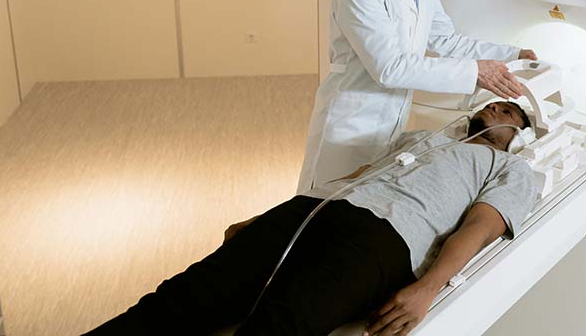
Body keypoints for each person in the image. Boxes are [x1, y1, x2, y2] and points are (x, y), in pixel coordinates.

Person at [85, 101, 539, 336]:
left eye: (511, 113)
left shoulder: (513, 169)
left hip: (385, 240)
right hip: (319, 211)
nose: (498, 108)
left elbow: (480, 227)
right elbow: (355, 176)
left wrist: (428, 286)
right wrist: (267, 216)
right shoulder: (423, 137)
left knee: (281, 327)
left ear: (520, 137)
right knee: (188, 294)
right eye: (496, 104)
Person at [299, 0, 537, 192]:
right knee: (319, 208)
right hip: (350, 123)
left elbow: (445, 40)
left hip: (390, 124)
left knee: (361, 204)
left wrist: (513, 55)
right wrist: (475, 73)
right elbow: (390, 67)